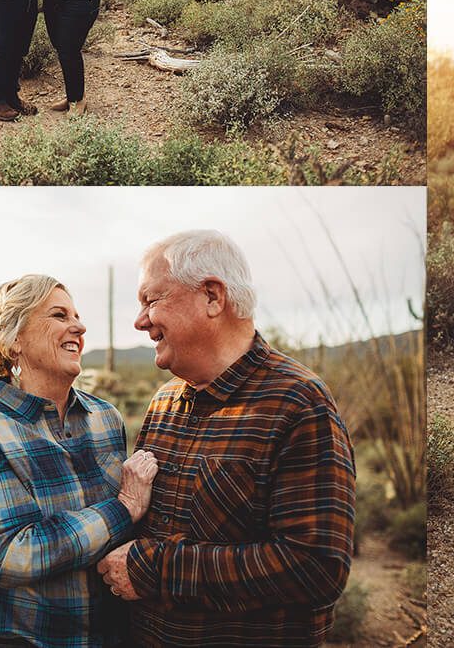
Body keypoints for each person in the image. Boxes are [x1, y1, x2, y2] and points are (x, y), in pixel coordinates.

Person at [97, 230, 355, 647]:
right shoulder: (163, 403)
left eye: (151, 300)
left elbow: (315, 568)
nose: (140, 320)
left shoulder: (298, 402)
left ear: (212, 297)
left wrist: (153, 568)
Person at [0, 275, 159, 648]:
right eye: (59, 315)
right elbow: (8, 556)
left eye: (77, 315)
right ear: (14, 339)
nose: (79, 326)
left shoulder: (106, 418)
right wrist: (123, 509)